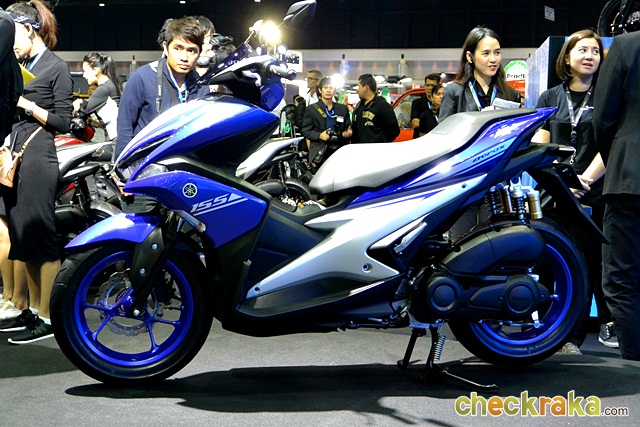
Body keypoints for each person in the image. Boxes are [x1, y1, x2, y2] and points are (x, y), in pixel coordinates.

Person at [532, 29, 613, 354]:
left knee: (587, 265)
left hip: (593, 194)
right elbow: (540, 144)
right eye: (582, 50)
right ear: (567, 58)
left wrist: (584, 181)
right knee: (548, 262)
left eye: (595, 51)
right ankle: (544, 330)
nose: (589, 56)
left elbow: (609, 144)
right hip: (555, 191)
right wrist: (563, 181)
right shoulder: (550, 98)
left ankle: (574, 336)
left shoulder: (606, 96)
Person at [0, 0, 73, 344]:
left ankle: (49, 315)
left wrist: (25, 103)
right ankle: (32, 310)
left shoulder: (57, 67)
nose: (9, 44)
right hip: (16, 155)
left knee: (41, 238)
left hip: (40, 154)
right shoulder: (19, 65)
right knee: (24, 237)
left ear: (29, 30)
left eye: (13, 35)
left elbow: (63, 121)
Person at [594, 31, 640, 361]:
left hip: (630, 178)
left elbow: (603, 119)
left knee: (621, 278)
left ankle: (635, 364)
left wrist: (618, 162)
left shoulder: (626, 45)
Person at [115, 16, 210, 159]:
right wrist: (122, 166)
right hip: (145, 163)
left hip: (185, 162)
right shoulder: (141, 78)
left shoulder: (201, 85)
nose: (184, 57)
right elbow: (125, 127)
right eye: (178, 48)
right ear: (165, 47)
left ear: (199, 53)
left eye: (191, 50)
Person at [439, 26, 520, 121]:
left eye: (497, 52)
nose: (493, 59)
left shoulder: (512, 95)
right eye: (486, 53)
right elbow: (444, 128)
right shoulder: (454, 92)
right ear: (470, 57)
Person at [0, 6, 24, 321]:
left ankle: (14, 297)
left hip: (9, 143)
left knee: (9, 226)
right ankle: (9, 295)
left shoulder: (3, 22)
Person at [301, 76, 352, 169]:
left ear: (334, 91)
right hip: (320, 150)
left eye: (331, 87)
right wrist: (319, 135)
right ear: (320, 90)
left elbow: (347, 127)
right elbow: (305, 131)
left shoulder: (342, 109)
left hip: (339, 149)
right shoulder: (311, 109)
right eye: (325, 87)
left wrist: (348, 134)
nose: (328, 90)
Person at [72, 52, 122, 142]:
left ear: (95, 71)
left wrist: (76, 105)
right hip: (116, 137)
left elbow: (82, 112)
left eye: (85, 71)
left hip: (114, 139)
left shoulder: (104, 89)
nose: (84, 75)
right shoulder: (110, 85)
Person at [351, 73, 400, 143]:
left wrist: (381, 142)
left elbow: (394, 131)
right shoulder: (358, 106)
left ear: (366, 88)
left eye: (359, 86)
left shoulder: (383, 106)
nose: (357, 90)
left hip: (377, 149)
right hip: (359, 148)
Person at [410, 73, 441, 138]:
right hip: (420, 138)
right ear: (424, 86)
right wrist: (435, 124)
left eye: (432, 85)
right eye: (428, 85)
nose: (430, 88)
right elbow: (415, 123)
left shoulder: (443, 104)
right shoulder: (417, 103)